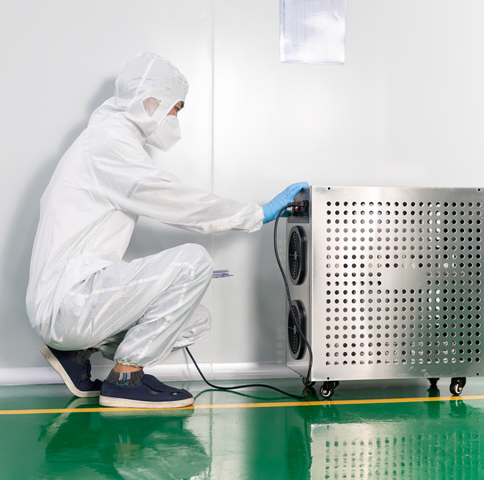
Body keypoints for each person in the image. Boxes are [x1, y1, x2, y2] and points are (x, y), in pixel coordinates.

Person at [26, 52, 307, 409]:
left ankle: (78, 352)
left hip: (74, 300)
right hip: (69, 300)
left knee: (193, 320)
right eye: (176, 108)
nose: (175, 118)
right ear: (151, 101)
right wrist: (255, 214)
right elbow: (173, 199)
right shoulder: (107, 144)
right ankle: (126, 379)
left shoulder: (108, 140)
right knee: (194, 261)